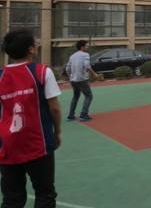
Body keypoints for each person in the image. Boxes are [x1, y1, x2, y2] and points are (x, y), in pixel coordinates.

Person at [0, 29, 62, 208]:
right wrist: (57, 132)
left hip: (8, 145)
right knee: (45, 194)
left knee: (12, 198)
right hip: (38, 144)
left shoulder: (1, 76)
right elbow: (54, 108)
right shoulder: (42, 72)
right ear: (31, 49)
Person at [66, 40, 99, 121]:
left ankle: (71, 115)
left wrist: (70, 77)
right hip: (82, 79)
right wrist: (94, 74)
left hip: (73, 80)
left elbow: (67, 69)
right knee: (89, 96)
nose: (88, 47)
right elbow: (87, 65)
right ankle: (83, 115)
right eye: (86, 46)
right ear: (82, 47)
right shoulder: (85, 54)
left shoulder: (72, 56)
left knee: (76, 96)